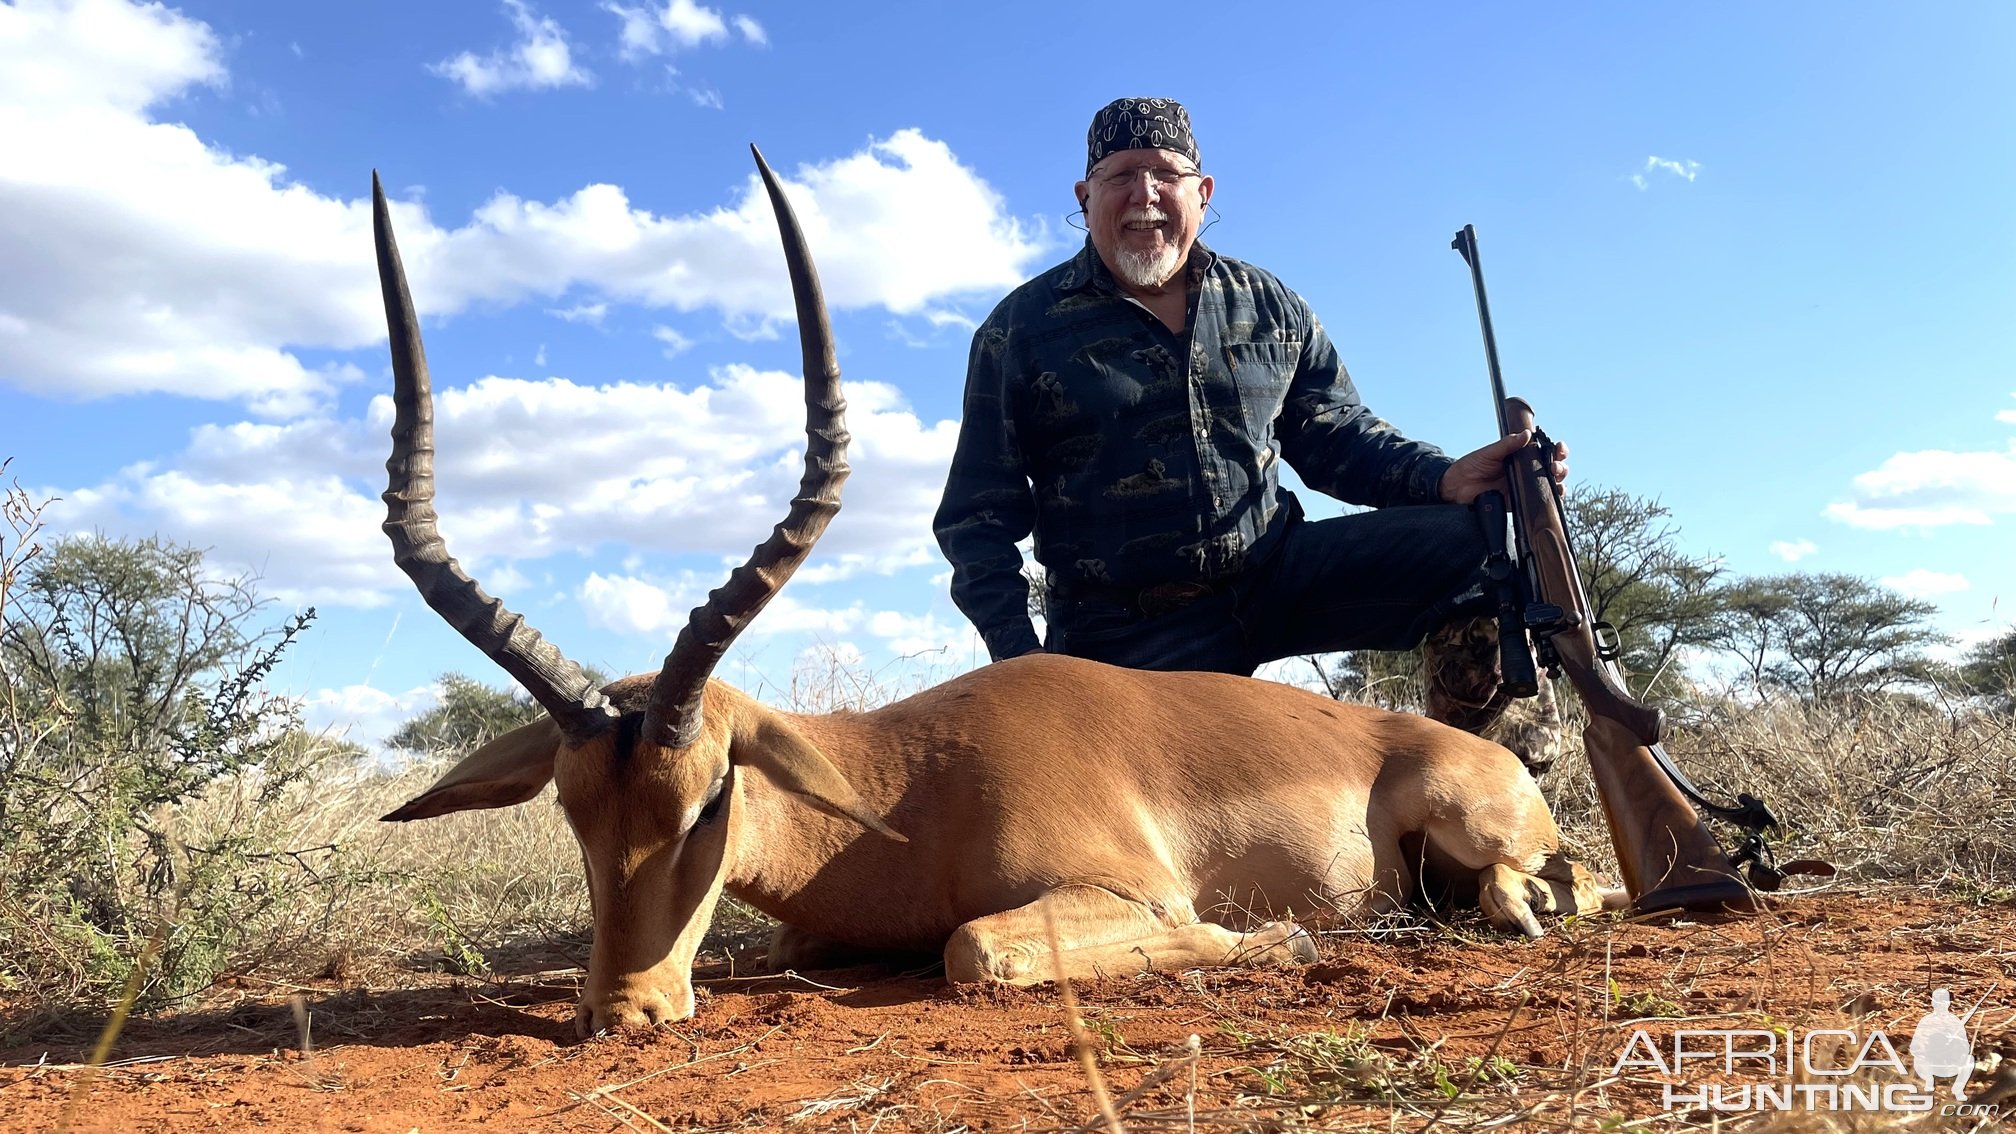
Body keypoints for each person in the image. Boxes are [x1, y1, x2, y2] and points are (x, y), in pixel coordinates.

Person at [932, 97, 1567, 768]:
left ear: (1201, 194)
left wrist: (1444, 476)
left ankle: (1489, 807)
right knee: (1174, 827)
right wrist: (1022, 665)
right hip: (1127, 631)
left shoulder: (1267, 302)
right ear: (1086, 196)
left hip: (1278, 572)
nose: (1144, 194)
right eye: (1120, 176)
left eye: (1164, 173)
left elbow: (1337, 435)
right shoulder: (1019, 330)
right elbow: (977, 519)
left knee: (1482, 545)